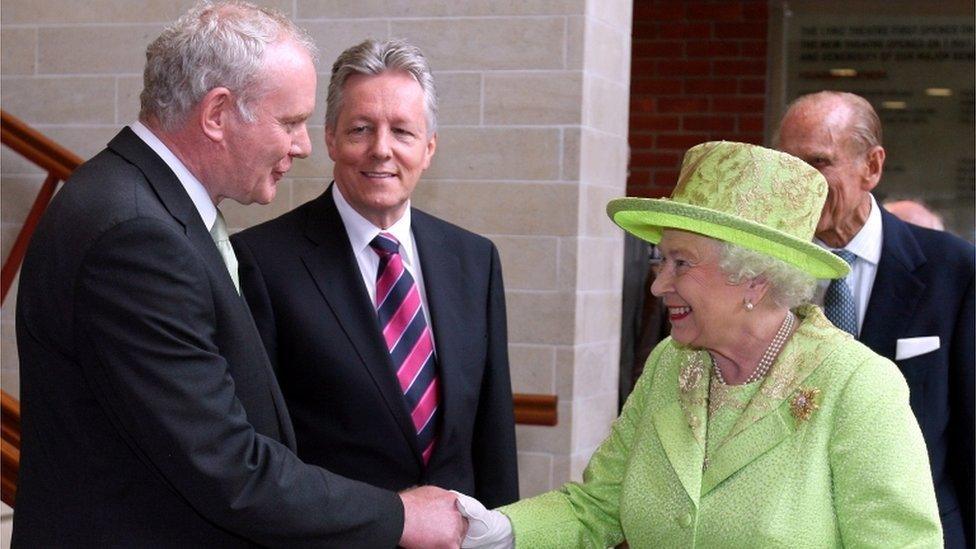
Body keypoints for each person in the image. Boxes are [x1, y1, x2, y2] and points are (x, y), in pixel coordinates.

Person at [12, 3, 463, 547]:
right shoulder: (135, 235)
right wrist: (402, 515)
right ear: (218, 113)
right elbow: (229, 468)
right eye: (291, 122)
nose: (302, 145)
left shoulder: (143, 204)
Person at [453, 141, 942, 547]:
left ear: (753, 279)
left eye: (681, 263)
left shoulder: (856, 384)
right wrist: (497, 530)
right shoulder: (671, 364)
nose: (658, 285)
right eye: (660, 260)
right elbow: (598, 506)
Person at [231, 38, 518, 508]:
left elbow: (494, 438)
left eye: (402, 132)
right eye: (361, 129)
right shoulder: (262, 263)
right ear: (330, 139)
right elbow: (261, 450)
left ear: (428, 149)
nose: (381, 150)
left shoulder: (475, 261)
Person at [776, 91, 974, 548]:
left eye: (818, 162)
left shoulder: (955, 272)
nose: (799, 181)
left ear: (872, 166)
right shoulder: (761, 274)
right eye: (788, 164)